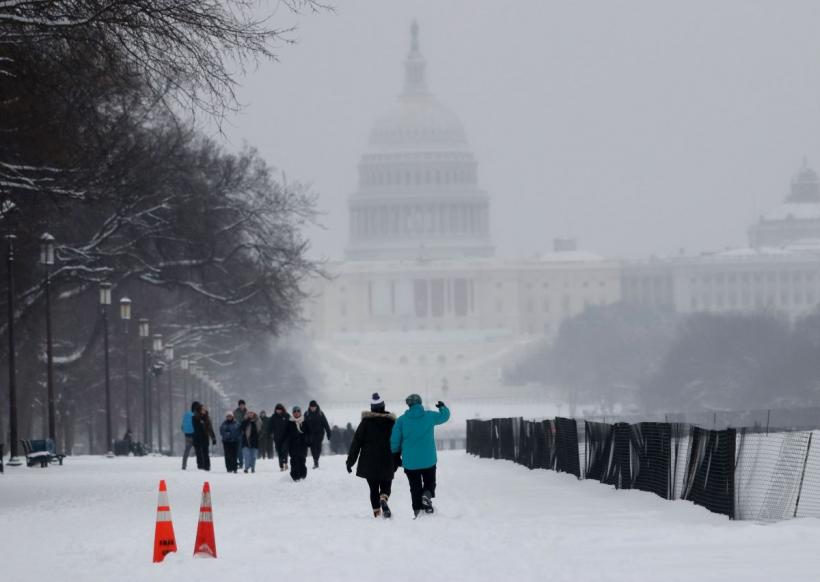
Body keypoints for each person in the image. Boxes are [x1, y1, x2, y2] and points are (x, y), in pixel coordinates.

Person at [390, 394, 450, 517]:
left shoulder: (401, 420)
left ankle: (417, 511)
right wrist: (443, 407)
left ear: (409, 404)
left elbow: (395, 440)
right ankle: (427, 495)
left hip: (410, 462)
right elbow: (444, 417)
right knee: (430, 482)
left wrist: (395, 455)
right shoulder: (429, 416)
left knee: (414, 487)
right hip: (428, 459)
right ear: (420, 403)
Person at [346, 393, 397, 518]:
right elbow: (398, 442)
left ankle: (377, 513)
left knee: (373, 488)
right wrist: (400, 459)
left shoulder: (365, 423)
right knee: (386, 485)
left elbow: (356, 443)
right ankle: (383, 498)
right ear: (383, 406)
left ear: (372, 408)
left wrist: (350, 461)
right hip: (387, 460)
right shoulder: (391, 423)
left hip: (369, 463)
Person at [303, 400, 332, 469]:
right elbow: (303, 424)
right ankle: (315, 461)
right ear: (309, 407)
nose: (313, 408)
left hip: (319, 434)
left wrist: (328, 432)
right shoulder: (306, 414)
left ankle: (316, 459)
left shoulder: (320, 414)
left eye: (314, 407)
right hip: (310, 434)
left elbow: (325, 424)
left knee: (318, 447)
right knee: (313, 447)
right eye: (311, 407)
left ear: (316, 407)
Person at [285, 406, 309, 481]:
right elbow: (286, 434)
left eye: (298, 411)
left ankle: (303, 475)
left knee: (302, 460)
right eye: (294, 411)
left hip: (303, 445)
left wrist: (308, 440)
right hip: (293, 445)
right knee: (294, 461)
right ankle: (295, 477)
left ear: (300, 412)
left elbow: (309, 432)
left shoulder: (305, 421)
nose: (296, 412)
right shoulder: (289, 422)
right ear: (292, 413)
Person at [193, 404, 216, 471]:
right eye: (202, 409)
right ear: (199, 410)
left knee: (206, 453)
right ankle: (200, 466)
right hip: (197, 437)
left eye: (204, 409)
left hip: (205, 437)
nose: (204, 410)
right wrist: (201, 423)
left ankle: (207, 467)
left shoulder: (207, 418)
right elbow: (196, 428)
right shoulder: (194, 417)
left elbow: (210, 428)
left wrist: (213, 437)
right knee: (199, 453)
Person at [270, 403, 290, 472]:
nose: (278, 411)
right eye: (277, 410)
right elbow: (270, 427)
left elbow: (291, 425)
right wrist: (270, 433)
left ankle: (286, 463)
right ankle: (281, 466)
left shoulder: (287, 416)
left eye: (279, 410)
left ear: (282, 409)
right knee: (279, 452)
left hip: (286, 437)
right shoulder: (273, 417)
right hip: (277, 437)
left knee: (284, 450)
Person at [181, 401, 199, 469]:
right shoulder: (196, 415)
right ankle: (200, 465)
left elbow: (182, 426)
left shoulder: (186, 414)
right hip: (194, 435)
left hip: (187, 435)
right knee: (198, 450)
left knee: (186, 451)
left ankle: (184, 465)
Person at [234, 399, 248, 468]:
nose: (242, 406)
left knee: (246, 449)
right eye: (241, 405)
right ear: (239, 405)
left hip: (247, 433)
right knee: (238, 448)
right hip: (238, 432)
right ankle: (240, 463)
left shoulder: (247, 412)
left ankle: (245, 462)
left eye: (243, 405)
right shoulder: (236, 412)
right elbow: (236, 422)